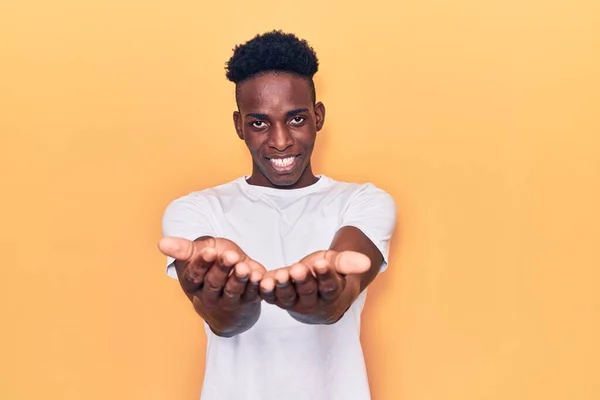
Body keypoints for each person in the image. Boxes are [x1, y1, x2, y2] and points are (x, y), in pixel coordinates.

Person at [158, 30, 397, 400]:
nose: (281, 140)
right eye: (259, 123)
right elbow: (224, 319)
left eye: (296, 119)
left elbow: (341, 293)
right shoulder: (196, 210)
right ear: (239, 125)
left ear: (318, 117)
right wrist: (232, 304)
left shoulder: (364, 201)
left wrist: (325, 297)